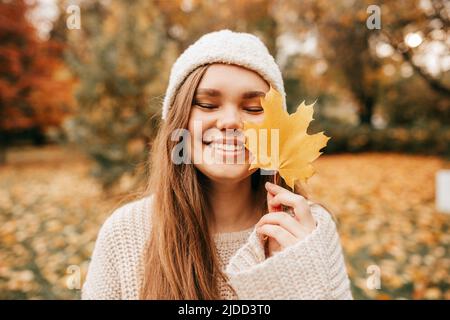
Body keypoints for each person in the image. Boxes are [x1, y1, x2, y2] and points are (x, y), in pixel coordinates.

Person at [82, 29, 353, 300]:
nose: (230, 122)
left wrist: (299, 278)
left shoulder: (311, 229)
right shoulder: (124, 234)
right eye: (208, 105)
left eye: (253, 108)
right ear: (180, 121)